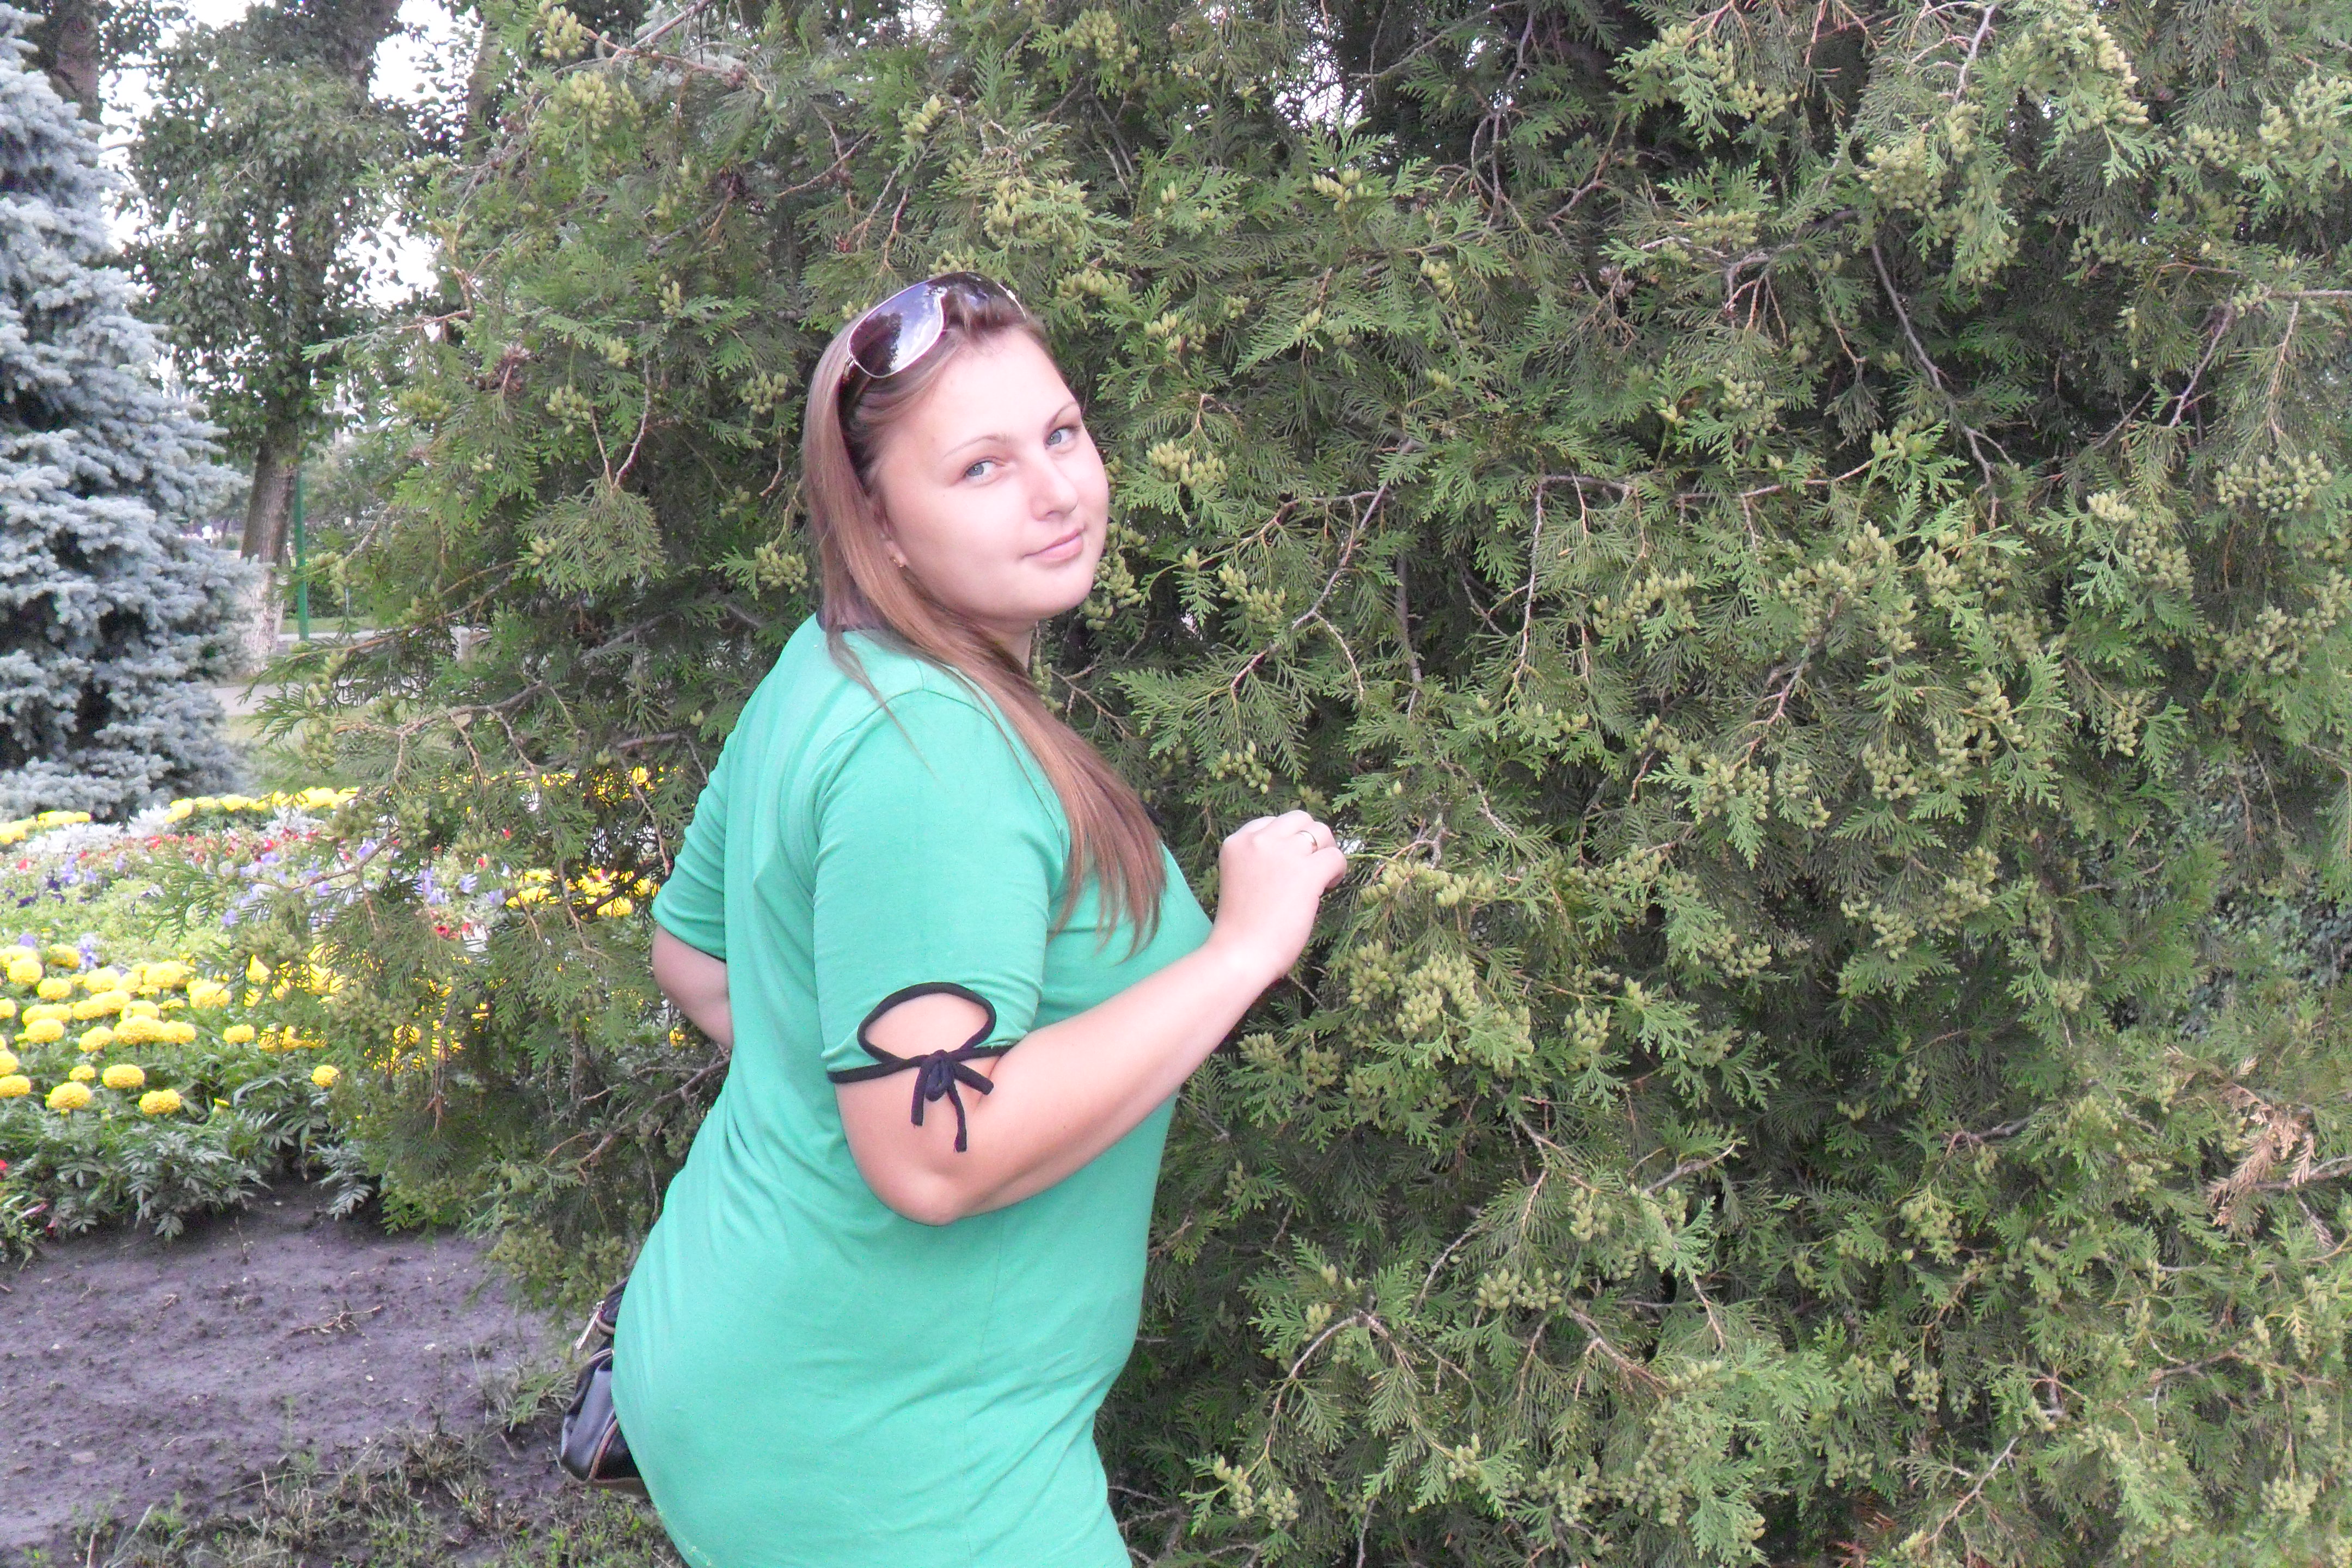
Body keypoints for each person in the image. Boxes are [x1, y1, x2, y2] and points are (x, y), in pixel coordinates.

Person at [609, 272, 1349, 1568]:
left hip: (751, 1356)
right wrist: (1243, 950)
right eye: (982, 468)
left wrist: (838, 1090)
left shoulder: (831, 662)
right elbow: (933, 1160)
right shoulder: (933, 756)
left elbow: (696, 956)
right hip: (890, 1457)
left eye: (1063, 433)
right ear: (880, 525)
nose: (1057, 492)